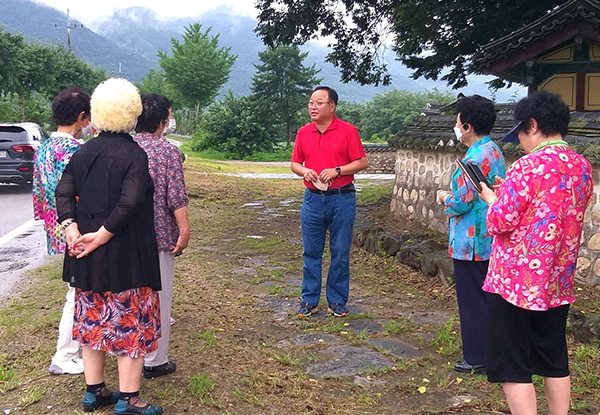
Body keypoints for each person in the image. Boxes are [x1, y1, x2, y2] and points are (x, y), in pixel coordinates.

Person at [479, 90, 593, 415]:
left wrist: (492, 199)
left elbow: (501, 220)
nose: (520, 142)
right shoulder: (582, 167)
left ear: (533, 124)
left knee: (513, 363)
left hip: (515, 281)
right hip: (557, 279)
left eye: (520, 134)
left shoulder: (527, 167)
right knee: (553, 358)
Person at [56, 78, 163, 415]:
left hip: (86, 256)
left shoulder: (83, 151)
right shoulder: (135, 155)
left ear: (98, 113)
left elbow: (62, 192)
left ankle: (94, 391)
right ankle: (129, 398)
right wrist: (102, 235)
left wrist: (72, 228)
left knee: (92, 322)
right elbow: (128, 204)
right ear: (133, 112)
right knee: (130, 322)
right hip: (126, 257)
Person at [436, 95, 506, 374]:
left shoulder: (473, 158)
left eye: (457, 122)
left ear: (466, 126)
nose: (455, 126)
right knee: (489, 298)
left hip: (470, 241)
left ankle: (476, 356)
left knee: (472, 300)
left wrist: (444, 198)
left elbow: (463, 201)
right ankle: (493, 351)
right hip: (491, 236)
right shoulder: (493, 150)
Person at [291, 86, 368, 318]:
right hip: (313, 200)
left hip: (342, 198)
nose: (313, 107)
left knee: (340, 251)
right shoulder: (304, 132)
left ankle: (337, 300)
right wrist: (305, 171)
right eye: (310, 103)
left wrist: (337, 170)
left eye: (319, 103)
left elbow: (362, 162)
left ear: (332, 106)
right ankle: (309, 300)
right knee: (311, 252)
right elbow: (295, 163)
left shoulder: (348, 131)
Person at [32, 86, 91, 375]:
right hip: (77, 227)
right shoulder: (74, 151)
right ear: (81, 117)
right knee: (77, 293)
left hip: (57, 226)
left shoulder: (44, 148)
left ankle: (72, 350)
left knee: (75, 289)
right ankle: (65, 354)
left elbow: (41, 193)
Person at [133, 94, 190, 379]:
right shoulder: (167, 151)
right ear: (162, 120)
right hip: (159, 235)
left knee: (129, 296)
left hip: (124, 235)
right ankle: (155, 360)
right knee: (160, 296)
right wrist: (185, 229)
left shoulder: (124, 147)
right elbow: (175, 196)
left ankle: (129, 352)